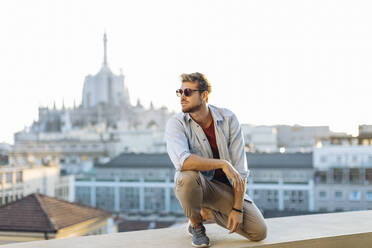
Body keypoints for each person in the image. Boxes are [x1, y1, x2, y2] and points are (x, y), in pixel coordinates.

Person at [165, 72, 267, 247]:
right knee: (187, 176)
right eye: (179, 92)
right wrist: (222, 164)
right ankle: (196, 224)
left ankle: (207, 212)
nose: (182, 97)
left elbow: (240, 172)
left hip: (223, 190)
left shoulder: (228, 119)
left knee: (258, 231)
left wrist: (236, 209)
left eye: (187, 92)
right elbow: (183, 162)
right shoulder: (176, 123)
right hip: (198, 185)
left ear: (204, 95)